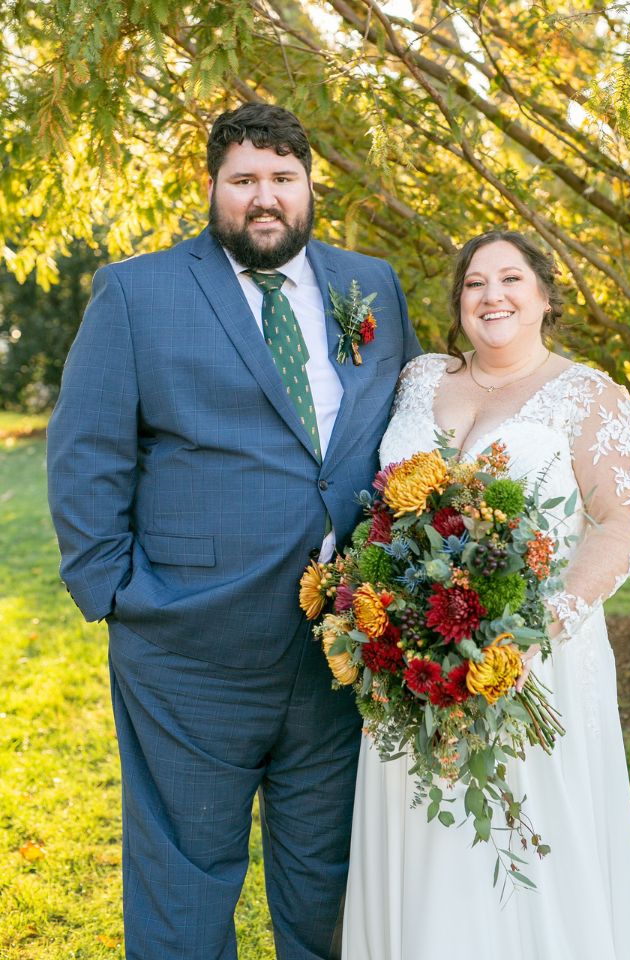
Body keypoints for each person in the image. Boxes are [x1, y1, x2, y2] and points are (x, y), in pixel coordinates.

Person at [46, 102, 421, 960]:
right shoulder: (138, 292)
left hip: (338, 651)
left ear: (309, 187)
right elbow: (87, 453)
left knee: (330, 887)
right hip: (189, 650)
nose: (265, 198)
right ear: (213, 188)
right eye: (244, 179)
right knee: (184, 887)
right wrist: (117, 593)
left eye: (283, 179)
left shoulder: (373, 288)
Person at [342, 230, 630, 959]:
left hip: (530, 656)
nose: (492, 296)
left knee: (518, 834)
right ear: (458, 302)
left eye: (511, 280)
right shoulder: (420, 377)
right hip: (412, 652)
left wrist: (537, 625)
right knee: (421, 825)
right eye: (474, 283)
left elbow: (623, 525)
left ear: (544, 296)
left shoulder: (587, 393)